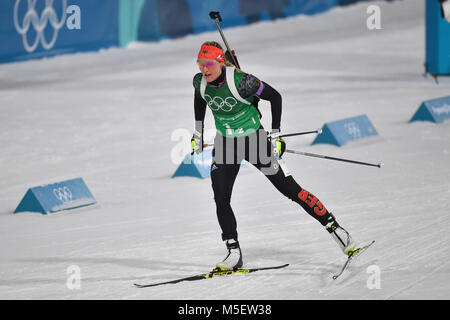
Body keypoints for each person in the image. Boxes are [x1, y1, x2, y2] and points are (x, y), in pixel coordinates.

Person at [192, 41, 355, 271]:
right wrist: (197, 132)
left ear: (220, 62)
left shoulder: (243, 81)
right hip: (226, 144)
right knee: (221, 197)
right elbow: (200, 100)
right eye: (200, 64)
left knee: (290, 189)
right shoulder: (199, 82)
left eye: (208, 64)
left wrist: (276, 135)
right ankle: (233, 252)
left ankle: (337, 230)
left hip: (254, 141)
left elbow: (275, 97)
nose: (204, 70)